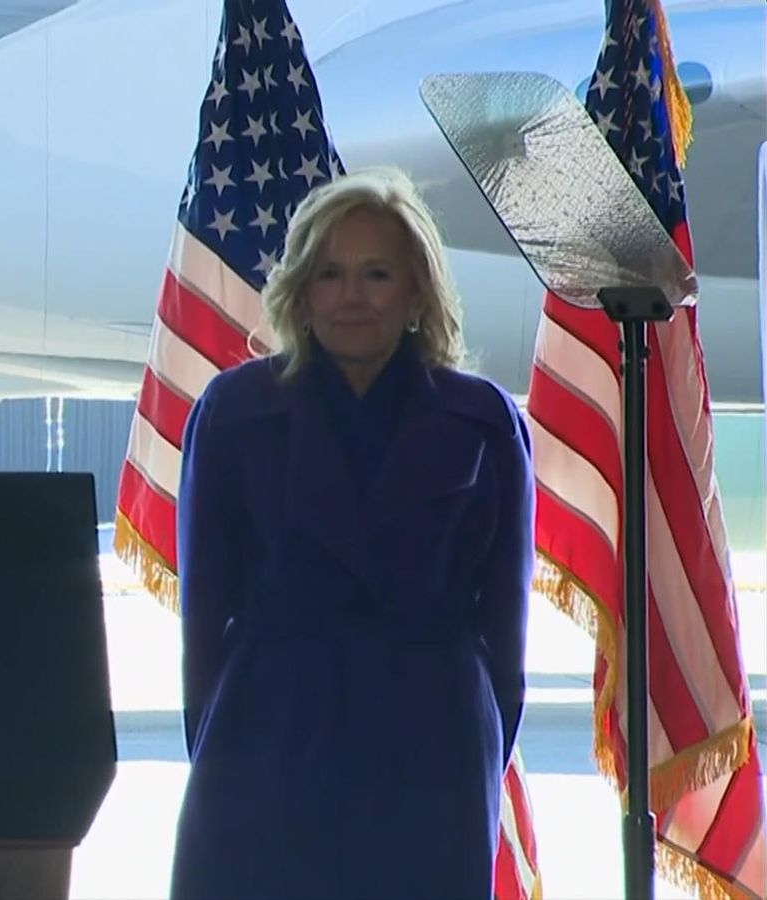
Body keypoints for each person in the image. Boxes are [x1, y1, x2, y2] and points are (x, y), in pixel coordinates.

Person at [169, 169, 533, 899]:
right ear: (301, 291)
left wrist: (467, 756)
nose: (353, 295)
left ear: (417, 293)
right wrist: (231, 752)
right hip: (266, 743)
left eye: (376, 273)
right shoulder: (234, 413)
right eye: (330, 274)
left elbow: (505, 638)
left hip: (432, 751)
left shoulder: (484, 422)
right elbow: (203, 622)